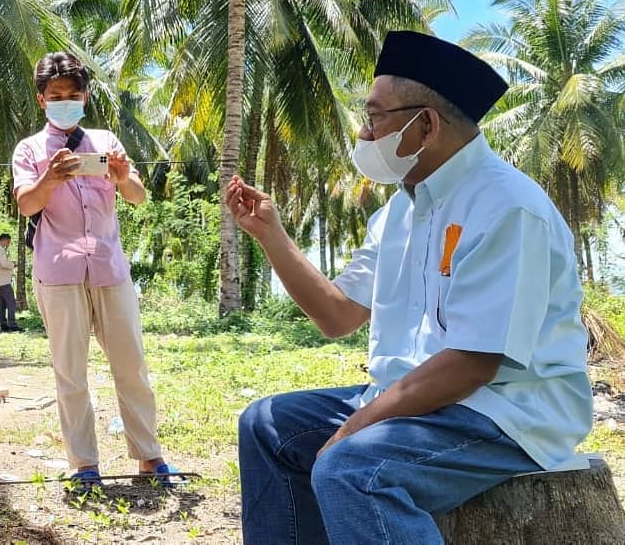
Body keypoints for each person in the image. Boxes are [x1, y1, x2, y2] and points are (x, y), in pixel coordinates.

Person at [230, 30, 593, 544]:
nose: (363, 132)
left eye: (375, 116)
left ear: (425, 125)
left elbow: (473, 363)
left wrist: (357, 427)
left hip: (506, 411)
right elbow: (337, 316)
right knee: (267, 424)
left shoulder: (506, 206)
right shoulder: (401, 209)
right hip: (417, 400)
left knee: (353, 470)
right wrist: (271, 235)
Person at [12, 51, 183, 491]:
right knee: (70, 371)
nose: (64, 101)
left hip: (110, 268)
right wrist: (50, 179)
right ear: (41, 100)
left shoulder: (106, 141)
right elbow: (26, 203)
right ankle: (83, 465)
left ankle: (150, 457)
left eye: (72, 94)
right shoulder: (29, 149)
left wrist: (123, 177)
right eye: (56, 96)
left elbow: (138, 196)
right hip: (59, 271)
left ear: (85, 96)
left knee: (131, 366)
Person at [0, 233, 21, 332]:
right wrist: (13, 264)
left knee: (2, 303)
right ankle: (12, 324)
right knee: (11, 302)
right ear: (5, 240)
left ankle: (3, 325)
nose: (8, 244)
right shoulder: (0, 250)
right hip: (3, 280)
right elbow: (3, 264)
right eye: (8, 242)